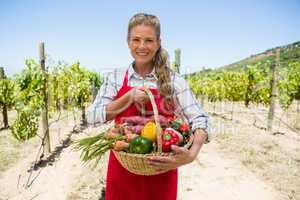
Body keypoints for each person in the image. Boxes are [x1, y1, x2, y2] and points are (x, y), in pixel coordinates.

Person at [87, 13, 211, 200]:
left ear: (158, 42)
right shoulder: (115, 78)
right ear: (128, 42)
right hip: (123, 169)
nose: (142, 46)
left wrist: (192, 154)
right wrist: (128, 97)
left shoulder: (174, 80)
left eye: (149, 40)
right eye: (136, 39)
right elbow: (92, 116)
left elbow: (200, 119)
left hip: (162, 170)